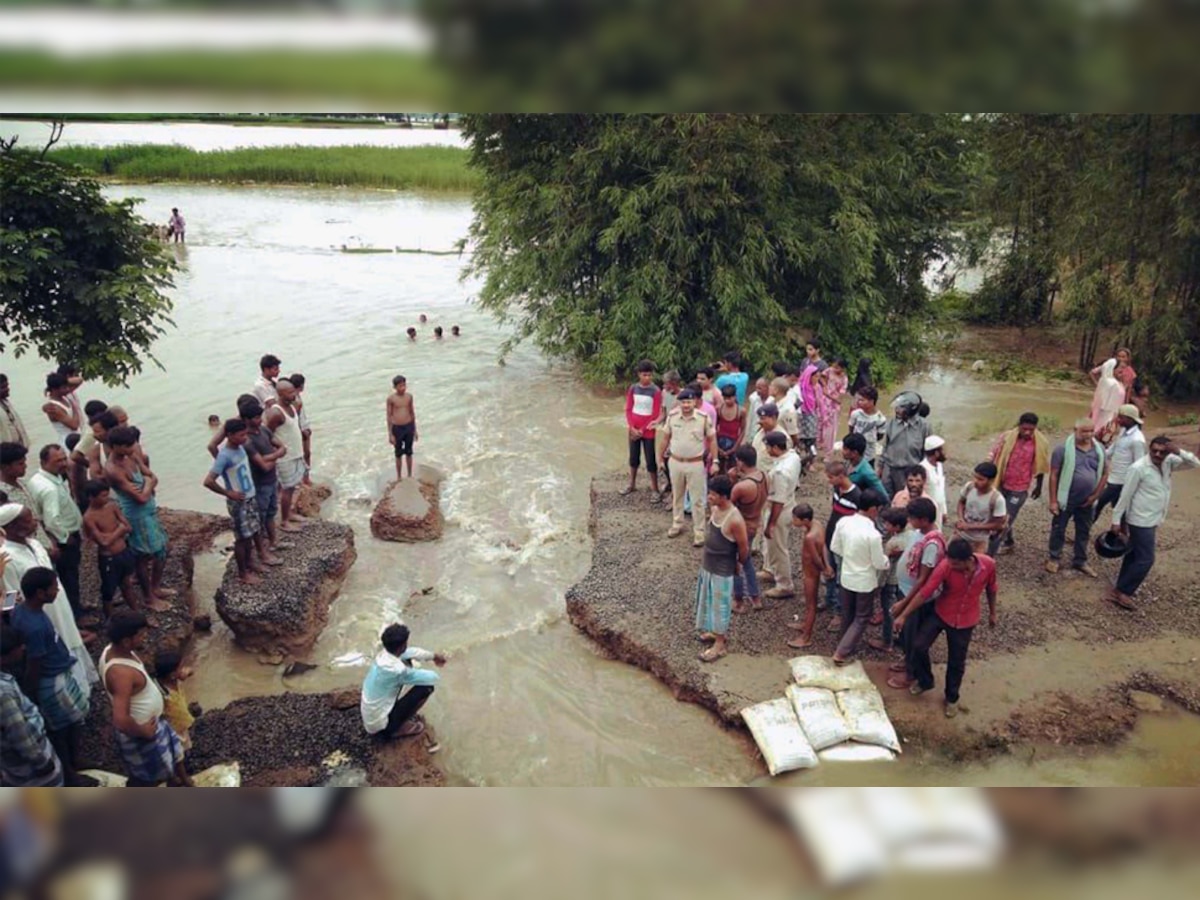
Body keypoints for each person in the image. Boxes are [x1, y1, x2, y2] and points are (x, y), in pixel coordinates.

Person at [896, 538, 998, 719]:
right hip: (941, 613)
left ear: (968, 560)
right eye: (949, 561)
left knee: (957, 662)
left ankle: (952, 698)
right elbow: (925, 592)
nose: (951, 565)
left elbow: (991, 589)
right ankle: (925, 681)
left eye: (955, 563)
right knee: (918, 646)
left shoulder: (988, 565)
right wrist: (904, 615)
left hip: (966, 620)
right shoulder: (945, 566)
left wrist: (992, 613)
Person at [1, 505, 99, 693]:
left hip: (58, 602)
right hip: (40, 611)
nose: (35, 521)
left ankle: (83, 683)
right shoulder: (5, 557)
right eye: (29, 520)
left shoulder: (35, 544)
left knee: (69, 636)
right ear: (13, 527)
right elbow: (10, 596)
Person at [8, 566, 90, 783]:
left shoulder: (23, 611)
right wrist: (31, 693)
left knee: (70, 722)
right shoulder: (34, 626)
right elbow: (35, 664)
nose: (57, 591)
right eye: (54, 588)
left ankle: (75, 761)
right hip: (51, 682)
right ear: (40, 593)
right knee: (61, 728)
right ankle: (71, 772)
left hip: (56, 675)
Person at [100, 610, 192, 786]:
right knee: (148, 777)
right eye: (141, 635)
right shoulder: (121, 673)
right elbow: (120, 719)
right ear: (126, 641)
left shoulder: (112, 650)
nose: (145, 637)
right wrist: (144, 732)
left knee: (163, 765)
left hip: (152, 725)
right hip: (142, 735)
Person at [1107, 436, 1200, 610]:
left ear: (1168, 452)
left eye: (1162, 451)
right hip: (1140, 520)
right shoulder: (1138, 468)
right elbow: (1125, 496)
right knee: (1146, 559)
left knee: (1133, 553)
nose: (1157, 454)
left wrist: (1178, 451)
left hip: (1153, 517)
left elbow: (1195, 463)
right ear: (1149, 449)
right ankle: (1122, 591)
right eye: (1154, 450)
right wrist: (1116, 520)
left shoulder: (1169, 462)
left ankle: (1121, 586)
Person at [204, 418, 281, 585]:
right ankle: (242, 573)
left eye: (245, 434)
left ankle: (252, 562)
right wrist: (228, 493)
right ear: (229, 435)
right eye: (241, 435)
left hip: (250, 497)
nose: (245, 437)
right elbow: (208, 481)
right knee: (242, 538)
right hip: (239, 503)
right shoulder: (224, 456)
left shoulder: (241, 448)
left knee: (254, 531)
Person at [105, 425, 174, 606]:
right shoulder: (112, 469)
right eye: (126, 446)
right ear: (115, 446)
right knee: (143, 556)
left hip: (149, 511)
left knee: (162, 550)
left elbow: (152, 477)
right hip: (136, 515)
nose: (130, 449)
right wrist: (149, 484)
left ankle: (156, 587)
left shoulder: (132, 455)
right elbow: (141, 496)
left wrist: (148, 483)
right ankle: (148, 597)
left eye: (131, 445)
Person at [886, 498, 946, 691]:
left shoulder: (932, 545)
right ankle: (907, 661)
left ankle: (911, 674)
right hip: (905, 589)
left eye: (913, 518)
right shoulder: (919, 533)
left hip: (916, 597)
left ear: (924, 520)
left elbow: (922, 580)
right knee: (905, 635)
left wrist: (904, 605)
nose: (909, 521)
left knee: (912, 636)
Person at [829, 489, 889, 665]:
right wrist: (887, 560)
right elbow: (879, 563)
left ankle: (844, 641)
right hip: (864, 581)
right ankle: (841, 652)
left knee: (847, 613)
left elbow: (835, 547)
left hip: (847, 575)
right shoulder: (873, 535)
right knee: (862, 616)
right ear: (873, 509)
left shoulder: (844, 522)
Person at [26, 445, 84, 622]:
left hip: (57, 537)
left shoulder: (37, 479)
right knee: (69, 578)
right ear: (44, 462)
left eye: (64, 458)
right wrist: (65, 538)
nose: (64, 463)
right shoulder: (49, 488)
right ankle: (76, 616)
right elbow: (52, 520)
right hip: (64, 540)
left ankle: (76, 608)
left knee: (68, 577)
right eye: (58, 461)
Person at [694, 475, 749, 663]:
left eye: (713, 494)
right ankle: (713, 630)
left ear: (724, 496)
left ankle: (720, 643)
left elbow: (743, 548)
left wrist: (738, 564)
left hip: (723, 568)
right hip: (708, 564)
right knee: (709, 599)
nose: (709, 497)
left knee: (721, 605)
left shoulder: (735, 519)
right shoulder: (715, 508)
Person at [0, 627, 64, 787]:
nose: (23, 648)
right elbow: (19, 733)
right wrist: (41, 762)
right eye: (17, 647)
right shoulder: (3, 694)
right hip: (29, 768)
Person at [1046, 418, 1109, 577]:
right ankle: (1054, 557)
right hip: (1065, 499)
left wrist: (1095, 496)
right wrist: (1053, 501)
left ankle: (1080, 561)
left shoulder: (1099, 449)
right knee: (1059, 528)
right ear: (1075, 430)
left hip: (1088, 501)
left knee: (1084, 531)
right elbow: (1053, 475)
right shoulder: (1062, 450)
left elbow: (1104, 474)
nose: (1088, 435)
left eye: (1091, 431)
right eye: (1084, 431)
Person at [360, 623, 446, 739]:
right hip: (382, 727)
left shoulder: (383, 655)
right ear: (402, 646)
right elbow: (432, 677)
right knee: (427, 687)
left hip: (371, 720)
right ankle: (397, 728)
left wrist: (434, 656)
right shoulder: (396, 670)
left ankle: (395, 718)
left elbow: (412, 652)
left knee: (406, 660)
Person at [659, 390, 719, 546]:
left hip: (696, 463)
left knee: (697, 500)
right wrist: (659, 458)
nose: (686, 405)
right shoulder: (672, 417)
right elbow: (665, 438)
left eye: (689, 402)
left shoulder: (703, 418)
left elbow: (712, 440)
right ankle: (677, 524)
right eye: (683, 402)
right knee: (677, 495)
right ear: (679, 403)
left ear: (694, 402)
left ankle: (699, 532)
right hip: (675, 462)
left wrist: (715, 461)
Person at [988, 412, 1049, 554]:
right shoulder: (1007, 437)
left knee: (1003, 520)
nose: (1027, 432)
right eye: (1024, 429)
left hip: (1019, 489)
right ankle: (1009, 542)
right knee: (1000, 514)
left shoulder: (1041, 443)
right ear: (1019, 425)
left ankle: (990, 555)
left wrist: (1039, 487)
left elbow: (1041, 466)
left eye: (1031, 430)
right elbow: (994, 452)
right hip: (1001, 483)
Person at [81, 479, 140, 620]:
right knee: (108, 591)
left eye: (107, 495)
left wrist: (113, 533)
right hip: (108, 558)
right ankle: (110, 620)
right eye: (102, 496)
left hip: (123, 552)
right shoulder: (89, 517)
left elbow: (129, 527)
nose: (106, 498)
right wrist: (119, 529)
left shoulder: (112, 506)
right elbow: (104, 542)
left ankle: (136, 613)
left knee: (127, 584)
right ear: (91, 497)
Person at [239, 400, 289, 553]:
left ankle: (273, 542)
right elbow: (263, 465)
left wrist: (267, 457)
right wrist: (274, 456)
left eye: (259, 417)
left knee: (271, 513)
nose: (259, 420)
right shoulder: (246, 440)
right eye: (255, 418)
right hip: (259, 484)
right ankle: (261, 550)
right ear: (246, 420)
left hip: (272, 480)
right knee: (260, 517)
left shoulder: (264, 430)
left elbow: (282, 447)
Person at [761, 432, 802, 600]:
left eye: (768, 447)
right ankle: (771, 570)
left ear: (776, 448)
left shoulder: (780, 472)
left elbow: (778, 501)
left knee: (778, 547)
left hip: (779, 509)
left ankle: (785, 584)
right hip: (788, 502)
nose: (766, 450)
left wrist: (771, 523)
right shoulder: (793, 456)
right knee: (772, 546)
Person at [787, 504, 833, 650]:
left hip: (810, 574)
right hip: (812, 571)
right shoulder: (817, 525)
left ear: (805, 520)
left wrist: (824, 568)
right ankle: (805, 625)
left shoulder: (809, 537)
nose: (793, 521)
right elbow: (824, 547)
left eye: (795, 519)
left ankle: (806, 637)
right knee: (809, 604)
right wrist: (827, 566)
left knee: (810, 605)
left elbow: (815, 558)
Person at [264, 380, 308, 532]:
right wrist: (274, 454)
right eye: (290, 393)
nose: (294, 394)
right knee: (287, 489)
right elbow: (267, 434)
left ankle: (289, 514)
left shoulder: (292, 407)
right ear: (280, 394)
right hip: (285, 458)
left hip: (295, 453)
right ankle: (284, 521)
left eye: (293, 391)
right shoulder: (276, 413)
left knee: (293, 487)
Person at [822, 460, 862, 624]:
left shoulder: (857, 496)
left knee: (840, 577)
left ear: (841, 476)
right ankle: (828, 600)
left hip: (845, 543)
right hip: (832, 536)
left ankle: (839, 611)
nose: (829, 480)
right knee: (829, 572)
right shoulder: (836, 490)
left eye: (831, 477)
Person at [731, 446, 768, 614]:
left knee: (736, 563)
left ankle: (738, 600)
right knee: (747, 562)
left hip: (742, 527)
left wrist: (732, 481)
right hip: (755, 523)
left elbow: (728, 508)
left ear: (740, 461)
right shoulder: (764, 476)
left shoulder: (741, 487)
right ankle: (755, 597)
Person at [1093, 404, 1146, 520]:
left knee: (1098, 503)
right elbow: (1110, 452)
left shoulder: (1137, 440)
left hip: (1122, 482)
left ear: (1130, 419)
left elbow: (1139, 465)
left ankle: (1084, 533)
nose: (1118, 419)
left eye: (1121, 417)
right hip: (1113, 478)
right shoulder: (1122, 432)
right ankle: (1122, 534)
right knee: (1119, 509)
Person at [869, 508, 911, 653]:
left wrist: (878, 585)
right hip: (904, 581)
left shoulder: (892, 543)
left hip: (890, 581)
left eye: (888, 524)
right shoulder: (911, 535)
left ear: (897, 527)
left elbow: (885, 568)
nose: (885, 526)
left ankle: (887, 642)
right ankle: (903, 638)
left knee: (888, 612)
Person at [0, 442, 54, 552]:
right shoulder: (3, 495)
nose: (25, 466)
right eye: (20, 464)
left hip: (44, 542)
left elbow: (36, 516)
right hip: (30, 550)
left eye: (24, 462)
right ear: (5, 467)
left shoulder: (23, 484)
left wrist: (49, 540)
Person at [622, 360, 662, 496]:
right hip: (633, 429)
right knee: (633, 458)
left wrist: (642, 430)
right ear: (639, 374)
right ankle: (632, 484)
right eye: (645, 375)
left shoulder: (656, 391)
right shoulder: (633, 388)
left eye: (650, 375)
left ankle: (655, 489)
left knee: (650, 459)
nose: (647, 378)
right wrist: (632, 427)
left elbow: (655, 414)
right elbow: (628, 409)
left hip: (648, 431)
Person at [879, 393, 931, 496]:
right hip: (889, 468)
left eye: (901, 408)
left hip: (909, 471)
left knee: (905, 498)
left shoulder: (924, 427)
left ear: (911, 409)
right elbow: (886, 446)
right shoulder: (891, 423)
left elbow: (927, 452)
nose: (897, 410)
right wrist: (880, 467)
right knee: (885, 497)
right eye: (897, 407)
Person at [954, 462, 1007, 556]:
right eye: (975, 477)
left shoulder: (997, 499)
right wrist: (961, 519)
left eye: (980, 479)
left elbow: (998, 525)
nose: (975, 481)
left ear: (991, 480)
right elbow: (961, 503)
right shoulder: (969, 487)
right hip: (961, 534)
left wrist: (971, 526)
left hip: (979, 540)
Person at [155, 649, 195, 752]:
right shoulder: (162, 693)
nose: (183, 669)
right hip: (173, 730)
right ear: (172, 674)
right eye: (180, 667)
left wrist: (187, 673)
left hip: (182, 725)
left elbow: (190, 671)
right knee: (177, 751)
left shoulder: (175, 679)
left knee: (186, 744)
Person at [387, 375, 418, 483]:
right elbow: (389, 416)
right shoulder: (391, 399)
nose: (403, 388)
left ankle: (409, 474)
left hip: (408, 426)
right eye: (400, 386)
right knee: (398, 453)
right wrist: (390, 434)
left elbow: (412, 412)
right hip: (397, 428)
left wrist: (415, 430)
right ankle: (399, 476)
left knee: (409, 452)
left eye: (404, 385)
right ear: (395, 387)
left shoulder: (409, 397)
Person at [816, 358, 849, 460]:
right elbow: (821, 376)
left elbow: (840, 399)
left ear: (843, 369)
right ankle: (818, 447)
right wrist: (825, 385)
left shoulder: (844, 380)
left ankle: (828, 454)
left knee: (830, 431)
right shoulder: (829, 370)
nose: (834, 368)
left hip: (833, 407)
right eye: (834, 366)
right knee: (819, 425)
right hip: (823, 403)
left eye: (837, 367)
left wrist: (828, 395)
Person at [842, 433, 890, 500]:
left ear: (854, 453)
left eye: (845, 449)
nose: (842, 451)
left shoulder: (867, 472)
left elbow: (883, 495)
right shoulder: (847, 463)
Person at [1088, 358, 1126, 442]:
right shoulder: (1109, 383)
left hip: (1112, 416)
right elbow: (1103, 405)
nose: (1122, 370)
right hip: (1106, 417)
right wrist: (1109, 421)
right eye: (1120, 368)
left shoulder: (1116, 382)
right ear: (1112, 368)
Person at [847, 386, 887, 464]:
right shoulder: (856, 414)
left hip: (869, 452)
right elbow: (851, 428)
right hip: (855, 451)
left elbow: (880, 436)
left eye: (862, 400)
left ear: (871, 401)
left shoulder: (880, 419)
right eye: (858, 400)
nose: (859, 402)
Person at [714, 384, 746, 473]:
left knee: (733, 470)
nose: (727, 401)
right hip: (720, 442)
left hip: (734, 443)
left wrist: (735, 448)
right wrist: (717, 447)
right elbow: (714, 428)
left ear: (735, 397)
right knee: (719, 468)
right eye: (725, 399)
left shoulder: (741, 411)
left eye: (730, 398)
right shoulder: (719, 409)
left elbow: (743, 430)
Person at [41, 373, 81, 443]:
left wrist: (64, 380)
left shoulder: (64, 396)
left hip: (77, 437)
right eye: (64, 388)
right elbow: (74, 425)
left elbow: (79, 380)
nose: (68, 389)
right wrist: (75, 407)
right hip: (67, 440)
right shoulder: (54, 408)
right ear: (54, 389)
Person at [289, 372, 313, 485]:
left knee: (305, 454)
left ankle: (305, 477)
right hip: (301, 430)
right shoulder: (294, 399)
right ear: (301, 385)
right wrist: (302, 430)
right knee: (304, 454)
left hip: (304, 428)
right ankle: (304, 478)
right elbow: (296, 417)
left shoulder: (296, 397)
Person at [920, 436, 948, 528]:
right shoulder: (923, 468)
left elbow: (941, 490)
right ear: (936, 453)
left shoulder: (939, 466)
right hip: (928, 513)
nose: (944, 453)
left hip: (939, 510)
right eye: (942, 450)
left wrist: (944, 511)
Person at [750, 403, 785, 476]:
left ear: (774, 418)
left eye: (763, 418)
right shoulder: (760, 433)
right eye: (760, 418)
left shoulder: (782, 437)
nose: (760, 422)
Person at [768, 378, 799, 449]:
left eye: (771, 386)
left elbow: (793, 433)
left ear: (776, 390)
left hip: (782, 446)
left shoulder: (788, 409)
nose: (769, 387)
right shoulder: (771, 403)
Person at [0, 374, 30, 447]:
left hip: (19, 448)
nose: (7, 389)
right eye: (3, 387)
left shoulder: (6, 403)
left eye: (7, 386)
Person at [744, 377, 770, 444]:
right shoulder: (754, 399)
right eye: (756, 388)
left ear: (767, 388)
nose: (757, 391)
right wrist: (747, 436)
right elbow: (750, 417)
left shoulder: (772, 401)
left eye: (760, 388)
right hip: (754, 433)